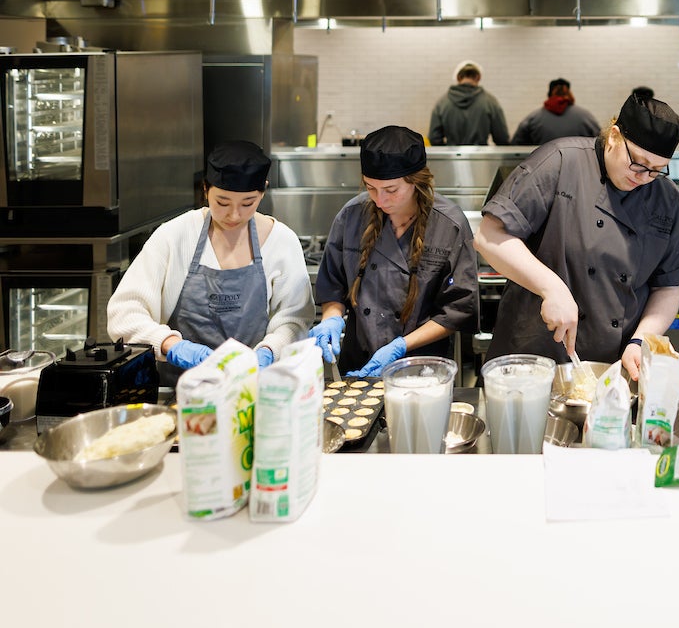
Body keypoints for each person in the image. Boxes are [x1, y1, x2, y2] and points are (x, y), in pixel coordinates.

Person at [474, 93, 679, 380]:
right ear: (614, 136)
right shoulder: (561, 161)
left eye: (656, 170)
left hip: (616, 365)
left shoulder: (665, 197)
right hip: (536, 355)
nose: (643, 177)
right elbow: (488, 236)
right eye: (638, 163)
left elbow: (667, 287)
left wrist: (641, 340)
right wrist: (552, 288)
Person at [107, 141, 313, 385]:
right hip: (181, 396)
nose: (234, 215)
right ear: (205, 189)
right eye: (222, 203)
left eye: (248, 203)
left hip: (256, 392)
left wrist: (270, 350)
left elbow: (295, 319)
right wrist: (171, 345)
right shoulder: (174, 236)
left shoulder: (281, 241)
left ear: (263, 191)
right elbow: (124, 314)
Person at [310, 126, 478, 377]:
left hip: (423, 371)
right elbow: (332, 286)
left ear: (416, 181)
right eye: (370, 188)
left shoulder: (448, 224)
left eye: (391, 190)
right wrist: (331, 319)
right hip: (358, 365)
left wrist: (400, 347)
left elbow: (458, 310)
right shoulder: (351, 216)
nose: (380, 200)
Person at [428, 60, 510, 146]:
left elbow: (434, 138)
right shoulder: (491, 102)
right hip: (481, 158)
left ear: (458, 77)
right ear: (478, 77)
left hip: (451, 158)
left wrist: (448, 152)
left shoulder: (442, 103)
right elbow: (502, 138)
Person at [510, 78, 601, 146]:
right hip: (578, 168)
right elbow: (601, 142)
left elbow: (516, 146)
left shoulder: (533, 118)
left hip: (543, 169)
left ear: (549, 94)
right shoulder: (586, 117)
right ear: (569, 93)